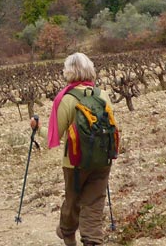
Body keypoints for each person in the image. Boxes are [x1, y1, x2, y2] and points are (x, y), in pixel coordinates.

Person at [44, 53, 116, 246]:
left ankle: (67, 233)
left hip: (74, 162)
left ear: (69, 71)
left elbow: (55, 134)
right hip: (102, 160)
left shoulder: (66, 99)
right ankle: (92, 240)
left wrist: (37, 128)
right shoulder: (102, 95)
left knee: (73, 200)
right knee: (94, 203)